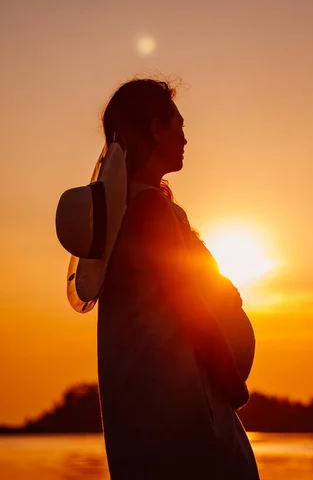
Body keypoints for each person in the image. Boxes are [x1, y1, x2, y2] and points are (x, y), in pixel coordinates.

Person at [97, 78, 260, 479]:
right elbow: (190, 308)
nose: (186, 138)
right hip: (184, 414)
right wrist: (234, 386)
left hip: (166, 411)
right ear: (156, 127)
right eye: (179, 125)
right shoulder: (149, 208)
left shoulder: (127, 210)